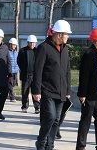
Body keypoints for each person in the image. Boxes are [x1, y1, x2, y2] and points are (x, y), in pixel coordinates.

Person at [32, 19, 72, 150]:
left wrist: (68, 90)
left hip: (61, 91)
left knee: (56, 120)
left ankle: (50, 145)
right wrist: (36, 91)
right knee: (50, 117)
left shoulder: (65, 50)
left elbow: (67, 71)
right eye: (66, 34)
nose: (68, 36)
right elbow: (37, 71)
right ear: (59, 34)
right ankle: (41, 141)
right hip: (47, 90)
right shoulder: (44, 48)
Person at [75, 28, 97, 150]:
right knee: (86, 120)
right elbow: (83, 76)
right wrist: (82, 94)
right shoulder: (89, 54)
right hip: (89, 94)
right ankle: (80, 146)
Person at [17, 34, 39, 113]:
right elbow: (18, 61)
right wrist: (23, 69)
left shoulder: (38, 51)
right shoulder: (22, 51)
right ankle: (24, 107)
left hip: (35, 76)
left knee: (35, 91)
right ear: (28, 42)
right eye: (31, 43)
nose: (32, 44)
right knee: (25, 92)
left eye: (34, 43)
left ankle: (37, 107)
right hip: (25, 75)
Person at [7, 38, 20, 102]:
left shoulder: (16, 52)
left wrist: (18, 69)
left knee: (13, 84)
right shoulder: (7, 52)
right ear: (10, 44)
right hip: (10, 71)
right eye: (13, 45)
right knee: (10, 83)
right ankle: (12, 97)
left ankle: (7, 93)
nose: (14, 46)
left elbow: (18, 61)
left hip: (15, 71)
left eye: (15, 45)